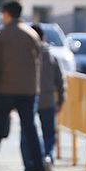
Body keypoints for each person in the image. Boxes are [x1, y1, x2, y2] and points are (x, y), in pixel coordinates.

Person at [0, 0, 48, 171]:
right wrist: (35, 90)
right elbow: (38, 65)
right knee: (31, 131)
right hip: (28, 92)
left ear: (7, 13)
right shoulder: (32, 35)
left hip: (4, 91)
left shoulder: (1, 36)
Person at [30, 22, 66, 163]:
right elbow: (60, 81)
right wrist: (61, 100)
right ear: (43, 37)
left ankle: (31, 166)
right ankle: (48, 156)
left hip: (30, 99)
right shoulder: (51, 57)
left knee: (29, 134)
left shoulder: (26, 56)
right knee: (49, 133)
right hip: (48, 99)